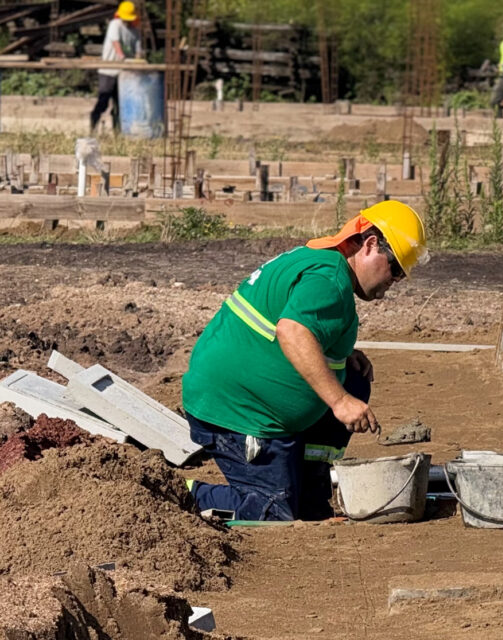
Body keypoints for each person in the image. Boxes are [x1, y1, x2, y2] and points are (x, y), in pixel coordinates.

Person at [182, 201, 428, 521]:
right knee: (273, 513)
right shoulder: (329, 279)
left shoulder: (318, 261)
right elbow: (292, 330)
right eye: (395, 269)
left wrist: (338, 354)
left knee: (352, 377)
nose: (395, 280)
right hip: (238, 414)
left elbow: (290, 321)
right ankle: (176, 492)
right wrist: (339, 401)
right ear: (369, 245)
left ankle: (310, 492)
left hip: (242, 402)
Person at [91, 1, 143, 133]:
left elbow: (138, 50)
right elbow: (116, 42)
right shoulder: (115, 25)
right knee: (104, 100)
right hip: (109, 70)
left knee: (120, 104)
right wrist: (121, 57)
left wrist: (138, 61)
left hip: (124, 73)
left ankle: (118, 131)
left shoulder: (135, 30)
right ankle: (93, 127)